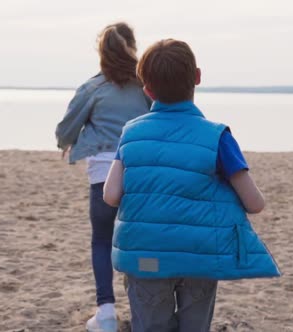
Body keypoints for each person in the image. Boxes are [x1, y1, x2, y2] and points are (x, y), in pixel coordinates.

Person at [103, 39, 280, 332]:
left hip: (146, 256)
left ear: (146, 88)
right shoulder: (218, 137)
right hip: (200, 257)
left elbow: (110, 195)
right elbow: (255, 203)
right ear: (197, 77)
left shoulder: (131, 134)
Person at [55, 22, 150, 332]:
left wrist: (68, 143)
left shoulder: (91, 88)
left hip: (101, 175)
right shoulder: (147, 87)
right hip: (140, 174)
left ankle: (106, 312)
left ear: (101, 53)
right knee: (138, 241)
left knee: (101, 240)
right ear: (134, 47)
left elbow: (66, 129)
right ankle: (143, 310)